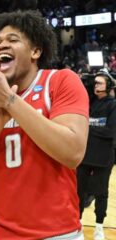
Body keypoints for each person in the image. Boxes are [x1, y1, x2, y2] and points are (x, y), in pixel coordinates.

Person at [0, 10, 89, 239]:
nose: (2, 45)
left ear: (35, 51)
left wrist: (10, 101)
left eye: (12, 40)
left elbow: (73, 152)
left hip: (58, 233)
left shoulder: (60, 81)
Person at [77, 68, 116, 240]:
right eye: (95, 83)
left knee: (101, 193)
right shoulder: (90, 101)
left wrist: (88, 128)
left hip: (103, 157)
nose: (96, 85)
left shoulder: (113, 105)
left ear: (108, 86)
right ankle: (76, 223)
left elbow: (111, 131)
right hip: (85, 155)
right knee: (78, 192)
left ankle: (99, 226)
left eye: (100, 83)